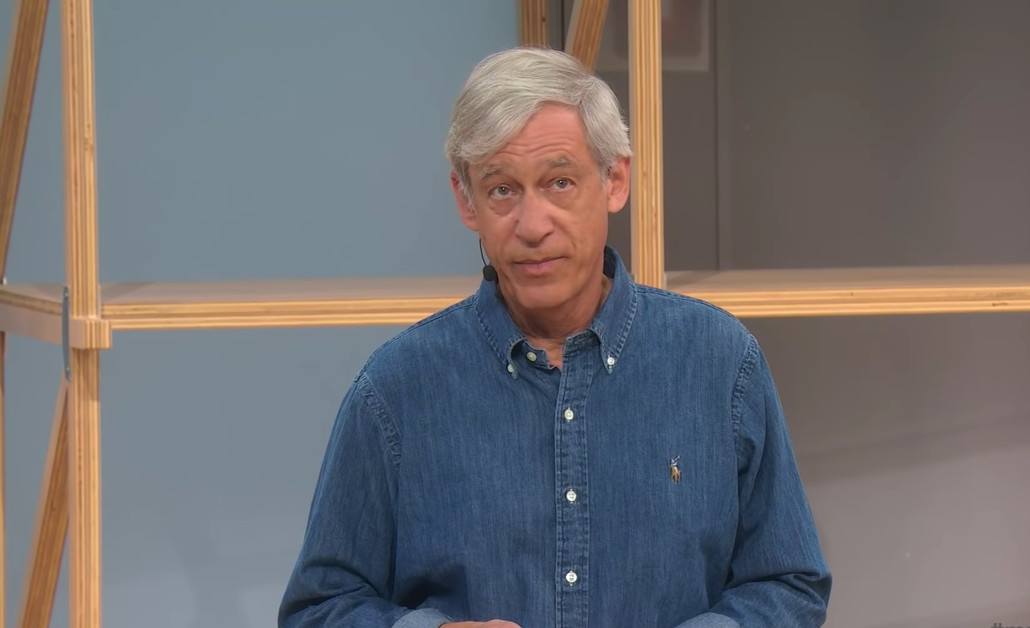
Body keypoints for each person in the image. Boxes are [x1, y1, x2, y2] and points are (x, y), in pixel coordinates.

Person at [278, 46, 831, 628]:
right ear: (466, 200)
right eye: (501, 190)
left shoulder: (720, 361)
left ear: (615, 180)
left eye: (560, 182)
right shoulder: (396, 388)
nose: (533, 225)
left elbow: (789, 583)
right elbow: (319, 607)